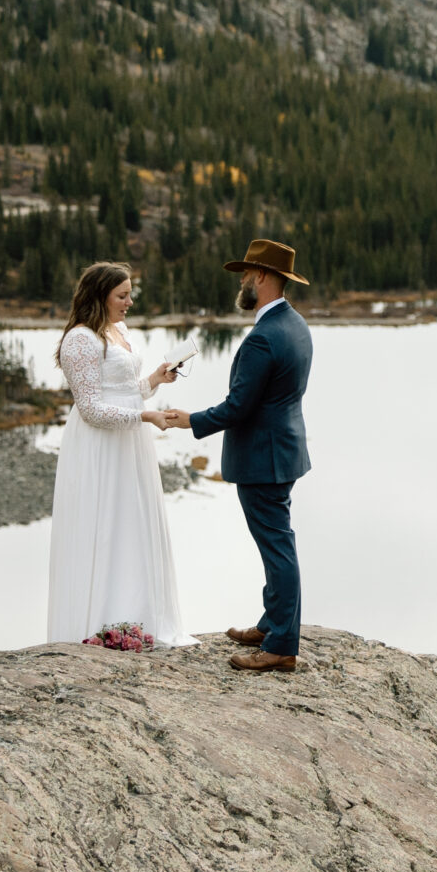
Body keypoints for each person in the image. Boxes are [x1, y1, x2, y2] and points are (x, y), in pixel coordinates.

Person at [145, 238, 312, 674]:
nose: (242, 282)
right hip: (284, 451)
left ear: (261, 277)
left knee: (277, 548)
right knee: (277, 542)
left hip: (263, 458)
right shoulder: (295, 325)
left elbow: (239, 406)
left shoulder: (263, 338)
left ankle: (280, 645)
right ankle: (271, 624)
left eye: (246, 274)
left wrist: (189, 420)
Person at [47, 262, 187, 645]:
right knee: (104, 524)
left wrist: (155, 381)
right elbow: (91, 408)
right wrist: (145, 415)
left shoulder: (118, 330)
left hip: (128, 441)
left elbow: (123, 389)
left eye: (130, 294)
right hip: (99, 446)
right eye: (121, 295)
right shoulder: (80, 339)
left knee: (132, 522)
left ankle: (137, 620)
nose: (129, 302)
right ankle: (100, 624)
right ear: (99, 296)